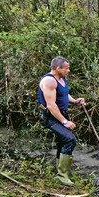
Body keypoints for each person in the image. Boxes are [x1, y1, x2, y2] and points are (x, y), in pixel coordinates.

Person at [38, 56, 85, 186]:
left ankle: (59, 170)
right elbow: (51, 105)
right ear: (58, 68)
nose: (68, 71)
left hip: (61, 114)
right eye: (66, 68)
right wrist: (65, 122)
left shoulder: (62, 78)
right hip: (51, 117)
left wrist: (75, 101)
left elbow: (64, 94)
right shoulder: (49, 81)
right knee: (70, 140)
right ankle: (62, 175)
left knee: (62, 141)